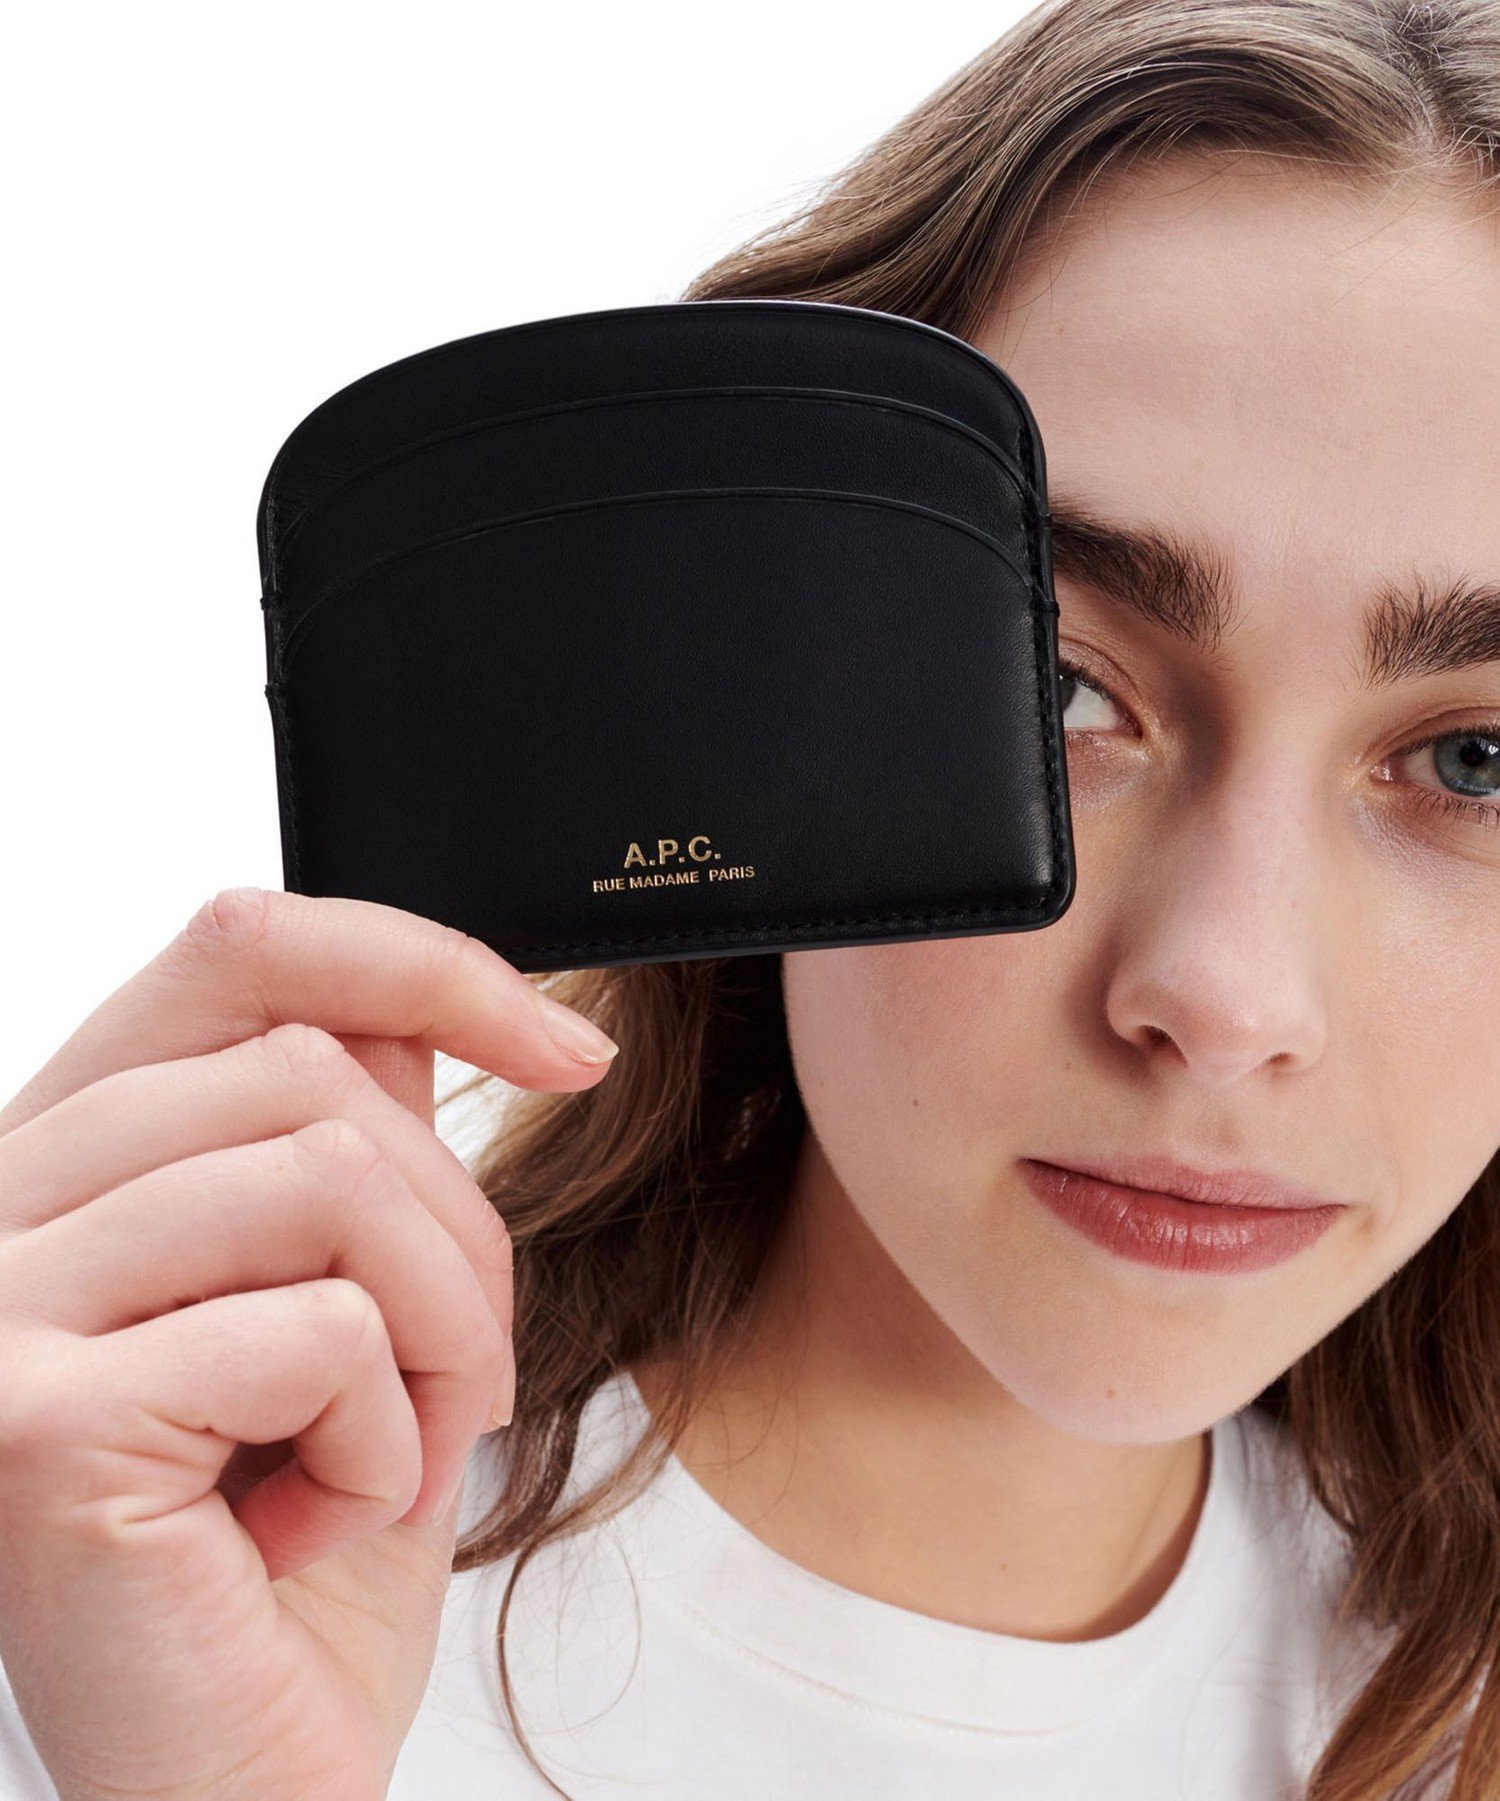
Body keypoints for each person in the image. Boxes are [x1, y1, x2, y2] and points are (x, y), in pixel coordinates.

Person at [2, 0, 1499, 1796]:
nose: (1226, 995)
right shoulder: (121, 1611)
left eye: (1479, 761)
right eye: (1056, 694)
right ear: (730, 657)